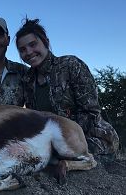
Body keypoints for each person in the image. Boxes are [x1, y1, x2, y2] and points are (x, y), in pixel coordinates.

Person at [15, 18, 119, 159]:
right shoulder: (27, 80)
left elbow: (91, 113)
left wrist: (58, 138)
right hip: (50, 143)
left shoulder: (71, 65)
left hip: (91, 139)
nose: (29, 52)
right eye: (22, 49)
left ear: (46, 42)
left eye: (33, 44)